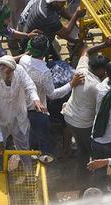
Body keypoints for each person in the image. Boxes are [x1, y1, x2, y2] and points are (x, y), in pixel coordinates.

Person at [19, 34, 84, 163]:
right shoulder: (44, 71)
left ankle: (28, 158)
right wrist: (72, 83)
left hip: (21, 104)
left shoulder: (23, 60)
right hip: (38, 108)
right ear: (45, 51)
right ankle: (45, 163)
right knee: (43, 139)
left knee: (27, 134)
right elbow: (52, 95)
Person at [62, 37, 111, 188]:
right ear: (100, 70)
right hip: (83, 124)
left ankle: (81, 177)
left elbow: (86, 50)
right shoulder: (97, 86)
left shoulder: (82, 69)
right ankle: (91, 182)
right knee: (92, 151)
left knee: (81, 149)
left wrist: (104, 45)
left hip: (69, 117)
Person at [0, 55, 45, 170]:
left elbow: (29, 85)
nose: (9, 75)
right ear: (0, 69)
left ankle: (29, 174)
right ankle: (0, 175)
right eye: (6, 72)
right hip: (1, 123)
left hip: (18, 118)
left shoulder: (18, 71)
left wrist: (36, 99)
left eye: (10, 72)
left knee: (24, 148)